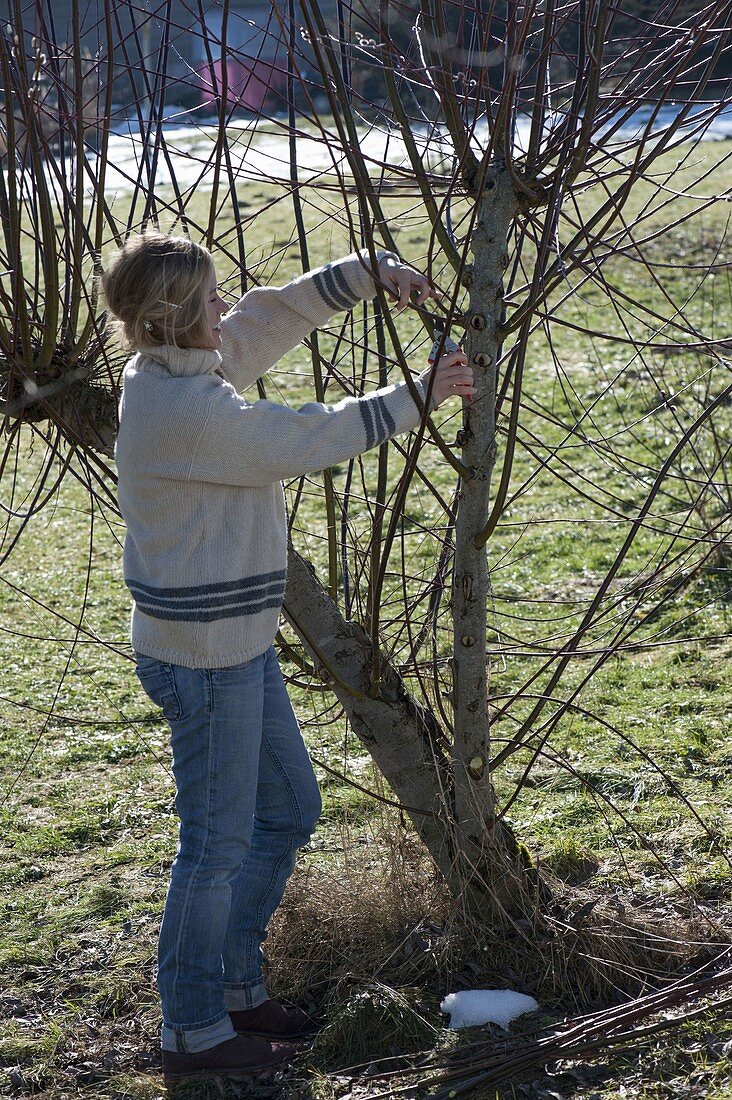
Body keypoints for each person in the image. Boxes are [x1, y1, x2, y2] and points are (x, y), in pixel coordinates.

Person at [105, 232, 474, 1082]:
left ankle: (235, 991)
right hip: (204, 663)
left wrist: (363, 276)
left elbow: (263, 319)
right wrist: (417, 397)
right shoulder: (187, 415)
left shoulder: (171, 368)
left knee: (286, 812)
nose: (225, 311)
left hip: (230, 644)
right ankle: (194, 1033)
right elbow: (299, 438)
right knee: (214, 847)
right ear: (175, 320)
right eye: (210, 303)